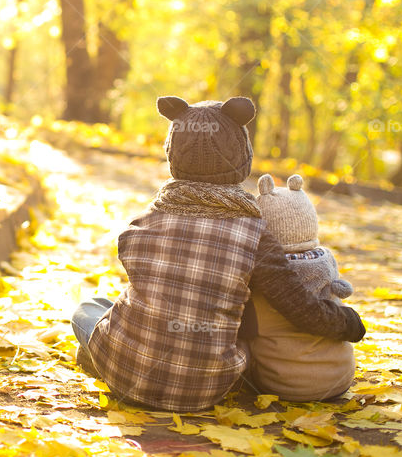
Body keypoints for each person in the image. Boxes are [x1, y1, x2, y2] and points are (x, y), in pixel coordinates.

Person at [71, 96, 366, 411]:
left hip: (126, 370)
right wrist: (349, 323)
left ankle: (105, 359)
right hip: (206, 388)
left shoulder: (147, 219)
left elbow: (131, 257)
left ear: (173, 153)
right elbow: (296, 304)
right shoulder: (254, 232)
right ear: (241, 153)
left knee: (89, 307)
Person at [242, 173, 356, 400]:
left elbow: (243, 328)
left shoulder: (261, 273)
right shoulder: (326, 264)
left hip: (281, 385)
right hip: (340, 378)